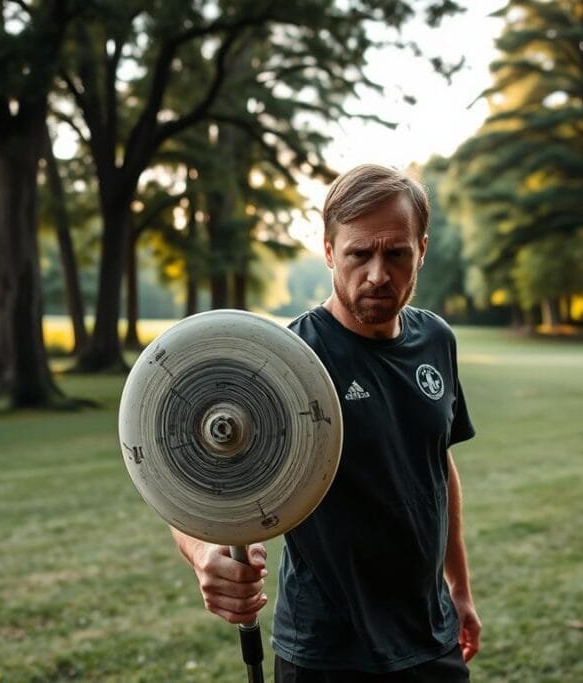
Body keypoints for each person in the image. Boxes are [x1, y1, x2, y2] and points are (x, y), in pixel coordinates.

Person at [169, 164, 481, 681]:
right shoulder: (287, 362)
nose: (378, 274)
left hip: (430, 637)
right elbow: (187, 477)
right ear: (331, 251)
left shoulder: (436, 340)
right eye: (360, 253)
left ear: (421, 250)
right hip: (327, 652)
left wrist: (460, 590)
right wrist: (204, 554)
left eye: (396, 253)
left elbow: (436, 463)